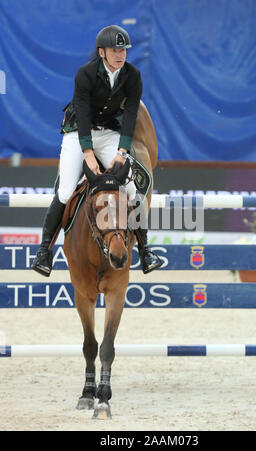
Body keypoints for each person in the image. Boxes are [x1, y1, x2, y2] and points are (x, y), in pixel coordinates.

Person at [32, 25, 162, 277]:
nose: (120, 54)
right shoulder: (85, 74)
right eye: (115, 50)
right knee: (66, 190)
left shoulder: (133, 76)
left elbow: (131, 115)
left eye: (123, 50)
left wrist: (122, 152)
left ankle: (146, 250)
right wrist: (88, 154)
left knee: (132, 188)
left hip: (110, 134)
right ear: (102, 52)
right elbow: (81, 115)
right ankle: (43, 252)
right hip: (78, 133)